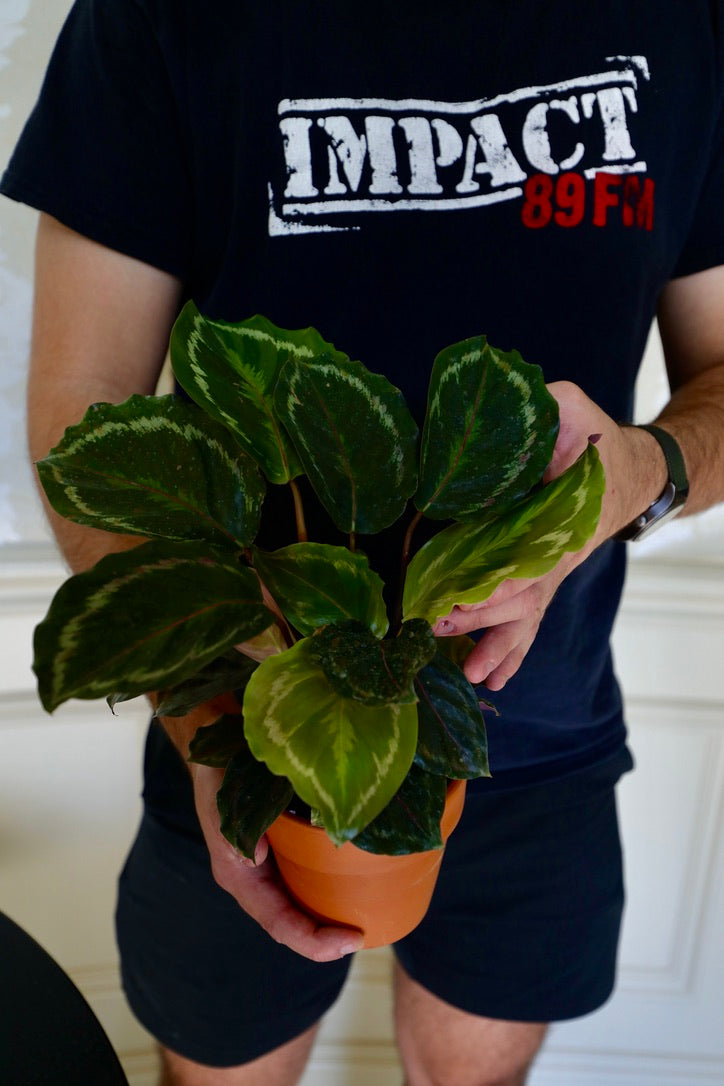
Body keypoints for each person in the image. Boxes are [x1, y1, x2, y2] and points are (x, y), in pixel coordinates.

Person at [3, 2, 724, 1084]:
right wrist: (206, 719)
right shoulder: (157, 20)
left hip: (542, 742)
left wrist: (644, 473)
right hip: (250, 730)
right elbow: (86, 412)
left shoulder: (686, 25)